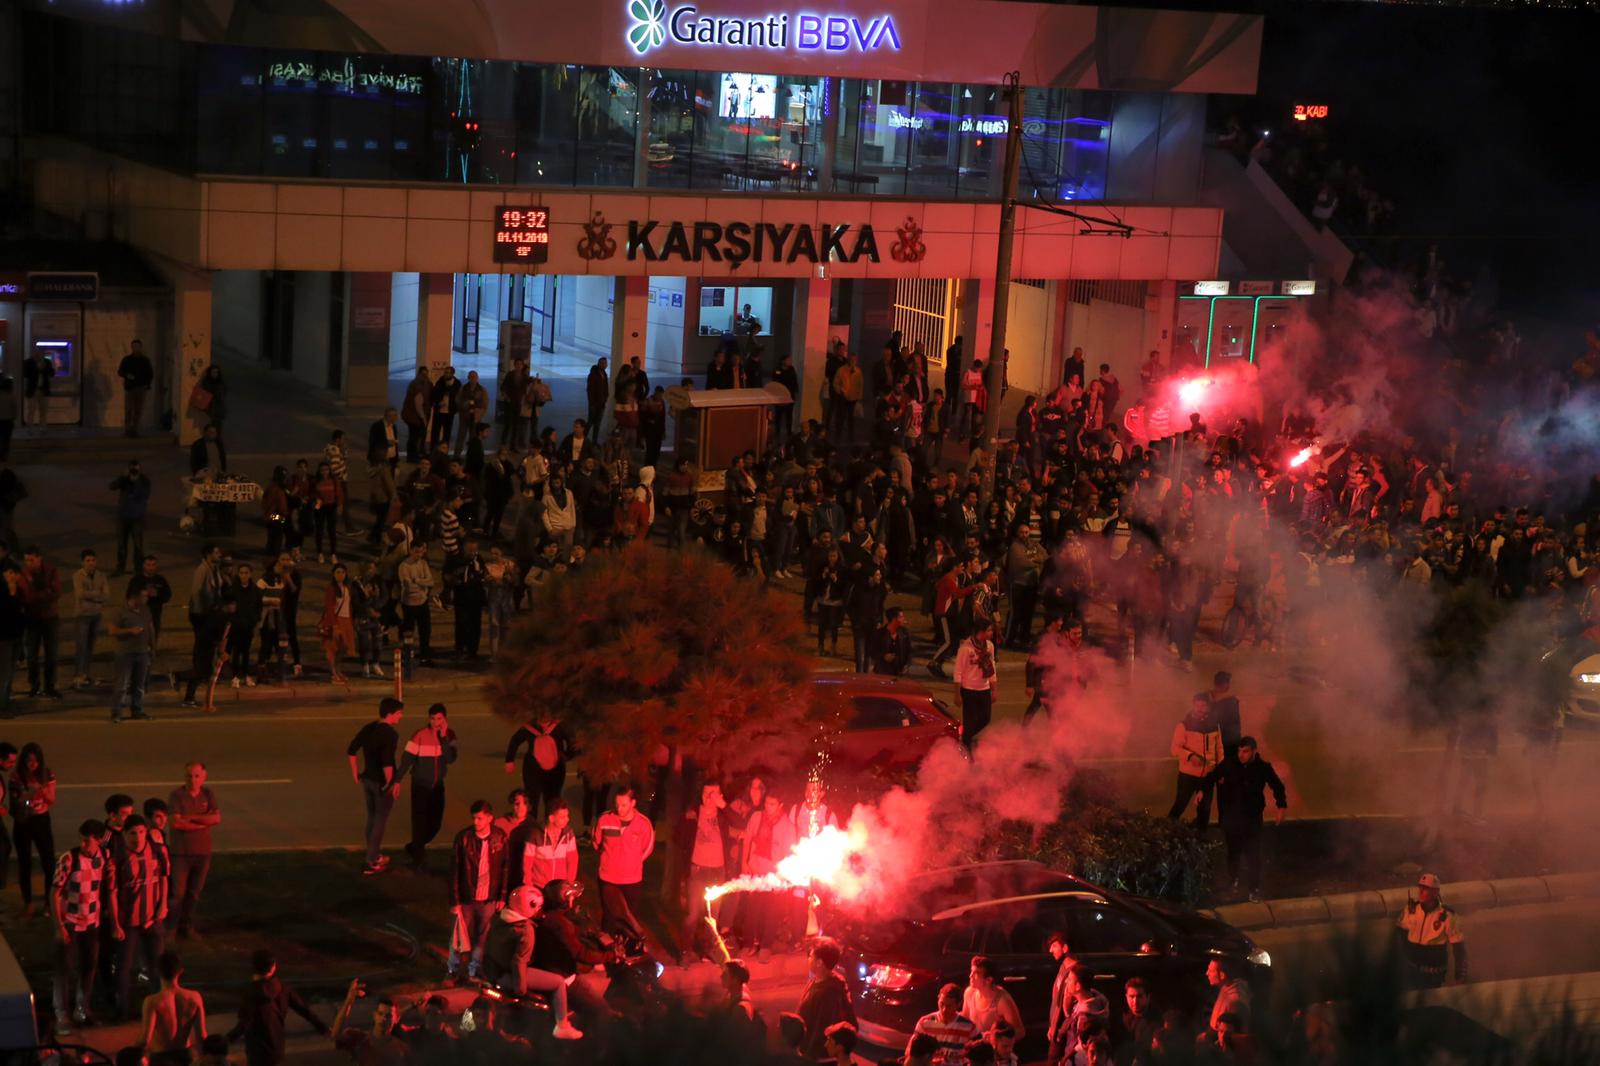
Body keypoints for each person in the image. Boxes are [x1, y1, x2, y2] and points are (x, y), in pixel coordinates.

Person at [480, 884, 583, 1039]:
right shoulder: (525, 930)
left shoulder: (499, 918)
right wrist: (520, 989)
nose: (539, 910)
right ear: (530, 905)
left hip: (494, 971)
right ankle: (562, 1026)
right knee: (559, 982)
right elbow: (519, 961)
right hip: (511, 976)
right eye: (537, 906)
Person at [52, 818, 118, 1033]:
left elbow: (110, 889)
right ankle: (61, 1014)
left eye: (86, 841)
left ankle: (82, 1009)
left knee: (89, 966)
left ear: (98, 841)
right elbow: (55, 893)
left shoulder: (105, 858)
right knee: (65, 969)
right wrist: (60, 926)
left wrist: (115, 922)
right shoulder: (69, 859)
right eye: (81, 840)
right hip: (70, 923)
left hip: (92, 923)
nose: (83, 845)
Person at [1204, 736, 1287, 902]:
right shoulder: (1229, 764)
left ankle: (1254, 889)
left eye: (1245, 751)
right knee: (1233, 852)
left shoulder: (1263, 768)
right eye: (1239, 751)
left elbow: (1277, 786)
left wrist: (1281, 806)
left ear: (1254, 751)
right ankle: (1233, 881)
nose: (1241, 755)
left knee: (1253, 855)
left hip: (1252, 818)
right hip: (1232, 816)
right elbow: (1212, 776)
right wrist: (1201, 791)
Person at [227, 950, 329, 1066]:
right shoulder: (283, 989)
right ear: (273, 968)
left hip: (257, 1052)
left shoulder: (250, 994)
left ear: (253, 967)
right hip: (277, 1049)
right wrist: (323, 1028)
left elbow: (244, 1023)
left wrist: (225, 1041)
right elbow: (304, 1010)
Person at [448, 800, 508, 983]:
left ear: (490, 818)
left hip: (488, 899)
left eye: (480, 818)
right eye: (474, 818)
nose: (476, 822)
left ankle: (475, 969)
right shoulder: (464, 838)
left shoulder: (500, 837)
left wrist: (502, 896)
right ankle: (453, 969)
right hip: (468, 898)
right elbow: (455, 870)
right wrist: (455, 900)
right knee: (459, 938)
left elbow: (505, 867)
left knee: (482, 937)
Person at [116, 815, 168, 1021]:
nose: (137, 838)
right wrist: (115, 921)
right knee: (125, 966)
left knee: (157, 963)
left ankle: (160, 1006)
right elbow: (112, 891)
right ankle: (123, 1009)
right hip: (129, 921)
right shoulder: (118, 857)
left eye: (141, 832)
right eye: (132, 833)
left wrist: (162, 905)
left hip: (152, 918)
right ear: (124, 835)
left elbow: (163, 878)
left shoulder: (158, 851)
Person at [347, 699, 403, 876]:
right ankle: (371, 861)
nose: (401, 716)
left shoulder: (370, 728)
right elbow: (387, 762)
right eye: (399, 713)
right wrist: (392, 784)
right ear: (391, 713)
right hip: (381, 783)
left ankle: (374, 854)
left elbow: (351, 750)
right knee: (380, 820)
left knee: (372, 818)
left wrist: (355, 773)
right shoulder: (390, 734)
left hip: (368, 780)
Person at [397, 704, 458, 867]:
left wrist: (444, 738)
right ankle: (418, 859)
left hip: (437, 785)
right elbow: (406, 760)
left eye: (439, 718)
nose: (436, 722)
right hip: (420, 785)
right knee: (419, 822)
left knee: (435, 823)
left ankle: (415, 846)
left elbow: (450, 759)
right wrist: (397, 780)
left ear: (445, 719)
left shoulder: (450, 735)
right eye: (432, 718)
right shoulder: (420, 735)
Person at [168, 762, 220, 940]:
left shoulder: (208, 794)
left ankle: (186, 927)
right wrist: (202, 824)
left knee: (194, 893)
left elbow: (216, 818)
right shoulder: (176, 796)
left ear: (204, 777)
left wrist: (191, 818)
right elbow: (176, 823)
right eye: (189, 776)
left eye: (197, 776)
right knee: (177, 894)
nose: (193, 780)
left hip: (203, 853)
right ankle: (171, 929)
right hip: (181, 853)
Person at [594, 784, 654, 938]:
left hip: (632, 880)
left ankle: (626, 951)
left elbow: (647, 848)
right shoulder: (605, 819)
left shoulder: (643, 824)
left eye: (623, 805)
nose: (619, 808)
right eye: (617, 804)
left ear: (633, 803)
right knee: (608, 917)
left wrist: (633, 862)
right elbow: (597, 843)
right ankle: (606, 953)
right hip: (608, 878)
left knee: (629, 918)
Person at [679, 781, 728, 966]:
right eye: (707, 793)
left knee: (713, 915)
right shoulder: (693, 813)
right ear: (701, 795)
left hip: (718, 872)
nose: (710, 797)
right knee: (692, 915)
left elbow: (741, 822)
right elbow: (679, 837)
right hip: (697, 870)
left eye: (714, 793)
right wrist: (686, 820)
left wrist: (723, 805)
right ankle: (685, 951)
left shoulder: (724, 815)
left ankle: (709, 951)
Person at [1396, 872, 1467, 988]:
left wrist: (1460, 976)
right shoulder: (1410, 910)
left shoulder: (1447, 916)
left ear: (1435, 892)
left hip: (1433, 975)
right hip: (1411, 970)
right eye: (1420, 887)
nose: (1421, 892)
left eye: (1425, 889)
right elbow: (1399, 938)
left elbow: (1459, 948)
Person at [139, 950, 206, 1065]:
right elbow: (201, 1035)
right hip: (185, 1055)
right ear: (180, 971)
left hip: (161, 1057)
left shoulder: (152, 1001)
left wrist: (132, 1056)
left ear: (158, 972)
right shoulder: (195, 997)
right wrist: (204, 1059)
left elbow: (145, 1039)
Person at [11, 742, 55, 915]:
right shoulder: (16, 776)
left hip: (42, 820)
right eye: (29, 761)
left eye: (36, 761)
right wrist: (29, 793)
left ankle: (48, 902)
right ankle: (27, 902)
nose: (33, 765)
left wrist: (42, 791)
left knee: (48, 861)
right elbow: (16, 801)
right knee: (25, 862)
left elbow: (51, 799)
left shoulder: (47, 774)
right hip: (23, 821)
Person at [504, 716, 574, 823]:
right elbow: (515, 741)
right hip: (533, 770)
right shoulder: (529, 728)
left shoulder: (560, 726)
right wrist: (509, 760)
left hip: (555, 771)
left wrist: (568, 755)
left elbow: (572, 740)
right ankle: (531, 828)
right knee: (531, 800)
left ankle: (551, 828)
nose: (543, 722)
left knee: (553, 801)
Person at [1167, 692, 1222, 829]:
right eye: (1196, 705)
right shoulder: (1183, 725)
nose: (1199, 708)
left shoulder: (1215, 726)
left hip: (1208, 776)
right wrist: (1190, 756)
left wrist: (1220, 770)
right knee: (1180, 804)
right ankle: (1166, 830)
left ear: (1208, 707)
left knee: (1204, 810)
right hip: (1187, 775)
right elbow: (1174, 748)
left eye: (1203, 705)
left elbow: (1219, 749)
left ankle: (1201, 838)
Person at [797, 939, 855, 1060]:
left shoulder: (829, 993)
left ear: (819, 963)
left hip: (818, 1058)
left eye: (811, 955)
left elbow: (820, 1029)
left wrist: (808, 1057)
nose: (808, 958)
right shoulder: (817, 980)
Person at [331, 980, 408, 1066]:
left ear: (396, 1019)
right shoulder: (359, 1039)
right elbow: (335, 1035)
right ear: (374, 1015)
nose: (383, 1019)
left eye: (388, 1016)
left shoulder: (401, 1048)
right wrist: (348, 1002)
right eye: (380, 1014)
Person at [20, 546, 63, 699]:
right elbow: (25, 596)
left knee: (51, 654)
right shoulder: (24, 574)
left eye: (31, 559)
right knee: (32, 656)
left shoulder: (51, 571)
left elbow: (56, 591)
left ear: (39, 558)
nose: (28, 563)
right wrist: (44, 595)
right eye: (26, 560)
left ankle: (50, 686)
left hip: (50, 618)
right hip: (32, 619)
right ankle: (34, 686)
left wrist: (35, 596)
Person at [109, 585, 156, 723]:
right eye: (144, 596)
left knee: (139, 685)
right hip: (125, 654)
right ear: (134, 597)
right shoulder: (119, 611)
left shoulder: (145, 610)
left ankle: (137, 710)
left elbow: (150, 627)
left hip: (142, 653)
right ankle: (116, 712)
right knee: (121, 685)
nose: (147, 598)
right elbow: (112, 630)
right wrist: (129, 631)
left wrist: (153, 647)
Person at [512, 797, 578, 891]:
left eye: (567, 816)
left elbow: (572, 860)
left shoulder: (568, 834)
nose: (567, 819)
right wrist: (529, 885)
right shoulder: (535, 835)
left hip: (561, 888)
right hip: (539, 887)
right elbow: (527, 863)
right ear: (551, 818)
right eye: (562, 817)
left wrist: (569, 885)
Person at [953, 621, 998, 751]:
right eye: (989, 630)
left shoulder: (989, 646)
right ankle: (966, 747)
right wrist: (957, 694)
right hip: (969, 690)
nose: (992, 633)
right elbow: (958, 672)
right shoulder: (965, 649)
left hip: (984, 689)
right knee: (970, 721)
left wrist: (994, 689)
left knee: (985, 718)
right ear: (981, 632)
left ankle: (966, 737)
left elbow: (992, 667)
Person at [908, 982, 977, 1065]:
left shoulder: (969, 1027)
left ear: (958, 1004)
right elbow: (910, 1052)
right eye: (942, 1004)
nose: (944, 1009)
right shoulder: (925, 1023)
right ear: (938, 999)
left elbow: (981, 1055)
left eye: (949, 1006)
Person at [962, 956, 1024, 1041]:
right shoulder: (969, 993)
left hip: (994, 1050)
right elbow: (964, 1022)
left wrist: (995, 1036)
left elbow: (1020, 1032)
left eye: (976, 973)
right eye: (971, 971)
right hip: (975, 1048)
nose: (970, 976)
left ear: (989, 980)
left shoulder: (1002, 1000)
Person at [109, 461, 152, 577]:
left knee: (138, 546)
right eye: (132, 469)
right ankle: (120, 568)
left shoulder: (144, 480)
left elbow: (144, 495)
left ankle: (138, 569)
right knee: (121, 545)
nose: (134, 471)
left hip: (137, 518)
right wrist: (122, 477)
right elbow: (111, 486)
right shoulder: (124, 479)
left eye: (136, 469)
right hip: (123, 517)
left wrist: (136, 481)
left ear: (140, 469)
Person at [1114, 977, 1160, 1066]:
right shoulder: (1121, 1020)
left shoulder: (1157, 1021)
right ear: (1126, 997)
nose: (1135, 1001)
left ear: (1148, 997)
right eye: (1131, 996)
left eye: (1139, 996)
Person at [1204, 958, 1251, 1037]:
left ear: (1222, 975)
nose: (1207, 973)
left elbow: (1236, 1035)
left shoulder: (1235, 1002)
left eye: (1211, 971)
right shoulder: (1224, 987)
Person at [117, 339, 155, 437]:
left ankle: (135, 430)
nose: (136, 348)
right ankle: (128, 430)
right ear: (132, 347)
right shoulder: (127, 359)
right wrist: (127, 375)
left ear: (140, 347)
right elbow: (120, 371)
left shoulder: (145, 360)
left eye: (137, 346)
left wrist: (147, 384)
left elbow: (150, 373)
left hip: (141, 388)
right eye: (134, 346)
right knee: (129, 409)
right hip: (130, 388)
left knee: (138, 410)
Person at [870, 606, 913, 675]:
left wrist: (907, 665)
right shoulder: (880, 634)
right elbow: (872, 651)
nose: (903, 619)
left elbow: (910, 651)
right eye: (901, 617)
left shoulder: (904, 633)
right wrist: (883, 656)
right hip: (883, 672)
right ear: (894, 619)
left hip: (900, 672)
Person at [1210, 670, 1243, 758]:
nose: (1229, 685)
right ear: (1224, 684)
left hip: (1219, 740)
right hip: (1230, 739)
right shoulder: (1231, 701)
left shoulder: (1209, 698)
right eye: (1227, 682)